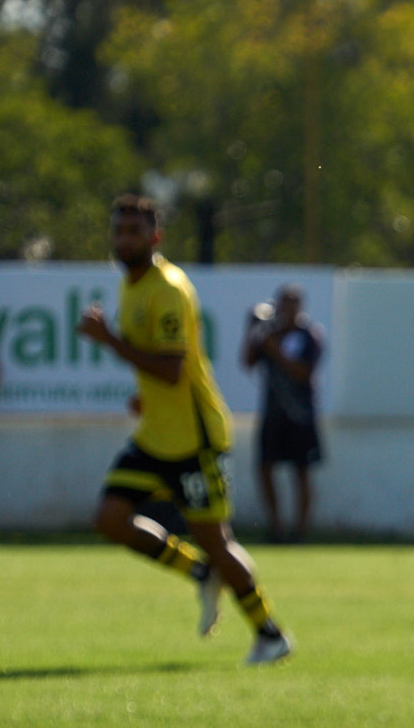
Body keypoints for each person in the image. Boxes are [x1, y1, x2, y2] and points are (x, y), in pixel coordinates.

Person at [75, 195, 292, 666]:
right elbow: (158, 368)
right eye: (119, 230)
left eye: (134, 230)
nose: (124, 239)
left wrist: (109, 341)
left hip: (195, 441)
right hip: (156, 435)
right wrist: (144, 395)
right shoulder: (130, 286)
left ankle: (271, 635)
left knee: (217, 540)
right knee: (109, 518)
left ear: (155, 237)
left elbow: (173, 369)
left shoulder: (168, 288)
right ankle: (198, 573)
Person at [240, 284, 325, 542]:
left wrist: (275, 350)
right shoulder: (268, 333)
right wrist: (251, 330)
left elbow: (304, 372)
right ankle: (275, 527)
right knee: (265, 467)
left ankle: (300, 530)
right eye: (283, 303)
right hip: (273, 413)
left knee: (301, 471)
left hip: (300, 414)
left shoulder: (309, 335)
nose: (287, 309)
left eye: (292, 303)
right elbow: (248, 362)